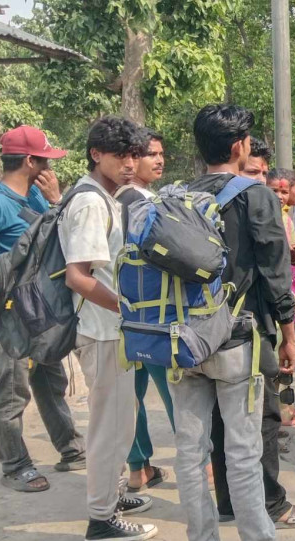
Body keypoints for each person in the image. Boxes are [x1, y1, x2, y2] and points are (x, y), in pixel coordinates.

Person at [182, 104, 295, 538]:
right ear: (240, 146)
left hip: (187, 338)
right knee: (250, 438)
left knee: (192, 450)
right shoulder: (256, 196)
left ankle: (211, 522)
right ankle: (262, 521)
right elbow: (276, 274)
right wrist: (289, 335)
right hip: (241, 336)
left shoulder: (179, 194)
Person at [0, 125, 84, 493]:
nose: (49, 166)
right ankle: (15, 466)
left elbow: (60, 237)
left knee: (50, 382)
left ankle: (71, 448)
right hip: (8, 317)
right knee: (13, 391)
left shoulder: (36, 197)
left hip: (38, 314)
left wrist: (57, 200)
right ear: (29, 161)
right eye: (45, 160)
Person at [58, 116, 158, 540]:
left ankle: (112, 495)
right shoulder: (90, 202)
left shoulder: (106, 196)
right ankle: (102, 519)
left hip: (112, 329)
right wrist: (129, 308)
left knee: (121, 422)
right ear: (96, 154)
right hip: (102, 331)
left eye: (135, 155)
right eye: (120, 155)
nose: (130, 164)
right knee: (109, 429)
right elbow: (77, 277)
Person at [122, 129, 176, 492]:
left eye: (160, 153)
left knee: (131, 395)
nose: (158, 160)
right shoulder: (140, 201)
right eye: (150, 154)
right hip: (151, 312)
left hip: (121, 313)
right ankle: (205, 466)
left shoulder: (115, 198)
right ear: (130, 159)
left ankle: (138, 469)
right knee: (176, 393)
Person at [268, 169, 295, 425]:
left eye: (284, 191)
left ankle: (285, 406)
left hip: (288, 292)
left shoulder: (286, 219)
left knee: (284, 354)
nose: (280, 196)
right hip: (279, 295)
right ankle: (281, 410)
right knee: (280, 355)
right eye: (274, 191)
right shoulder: (272, 219)